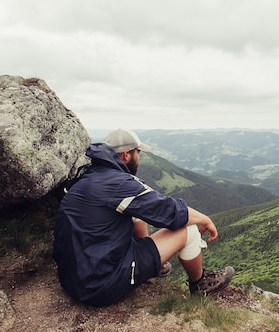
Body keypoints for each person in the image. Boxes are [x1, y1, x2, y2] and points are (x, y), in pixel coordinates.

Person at [53, 129, 235, 307]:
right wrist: (204, 219)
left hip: (73, 279)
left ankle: (147, 268)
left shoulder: (88, 177)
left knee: (134, 213)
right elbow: (169, 211)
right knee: (188, 230)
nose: (139, 158)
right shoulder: (120, 184)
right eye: (137, 153)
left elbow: (138, 213)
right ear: (126, 155)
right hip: (101, 286)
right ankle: (200, 284)